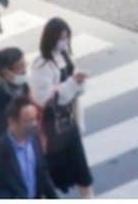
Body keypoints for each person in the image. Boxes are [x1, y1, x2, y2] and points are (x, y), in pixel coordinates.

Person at [31, 19, 93, 197]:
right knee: (49, 174)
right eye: (60, 38)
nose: (64, 42)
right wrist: (72, 84)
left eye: (66, 37)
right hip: (53, 128)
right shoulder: (41, 64)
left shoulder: (66, 57)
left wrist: (78, 83)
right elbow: (45, 98)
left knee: (82, 172)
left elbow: (74, 91)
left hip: (69, 122)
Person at [0, 96, 59, 198]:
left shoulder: (34, 139)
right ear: (12, 122)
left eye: (35, 119)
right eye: (28, 121)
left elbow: (42, 172)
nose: (34, 124)